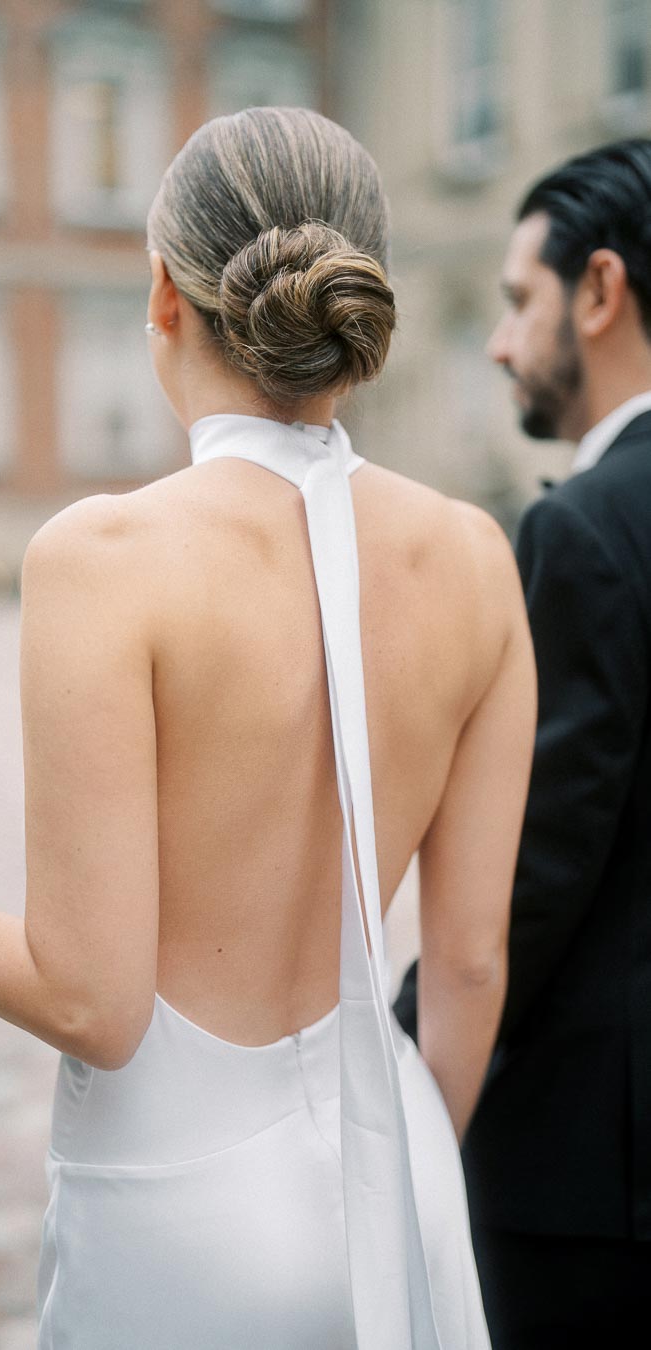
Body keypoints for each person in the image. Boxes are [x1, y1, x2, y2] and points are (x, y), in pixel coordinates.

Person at [0, 108, 534, 1349]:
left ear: (166, 296)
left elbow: (92, 1003)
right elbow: (466, 966)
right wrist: (394, 1185)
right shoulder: (477, 557)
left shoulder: (104, 558)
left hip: (182, 1217)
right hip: (399, 1176)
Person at [395, 138, 651, 1347]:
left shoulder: (585, 534)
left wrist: (389, 1056)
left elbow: (521, 886)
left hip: (594, 1170)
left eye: (517, 303)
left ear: (599, 292)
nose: (500, 343)